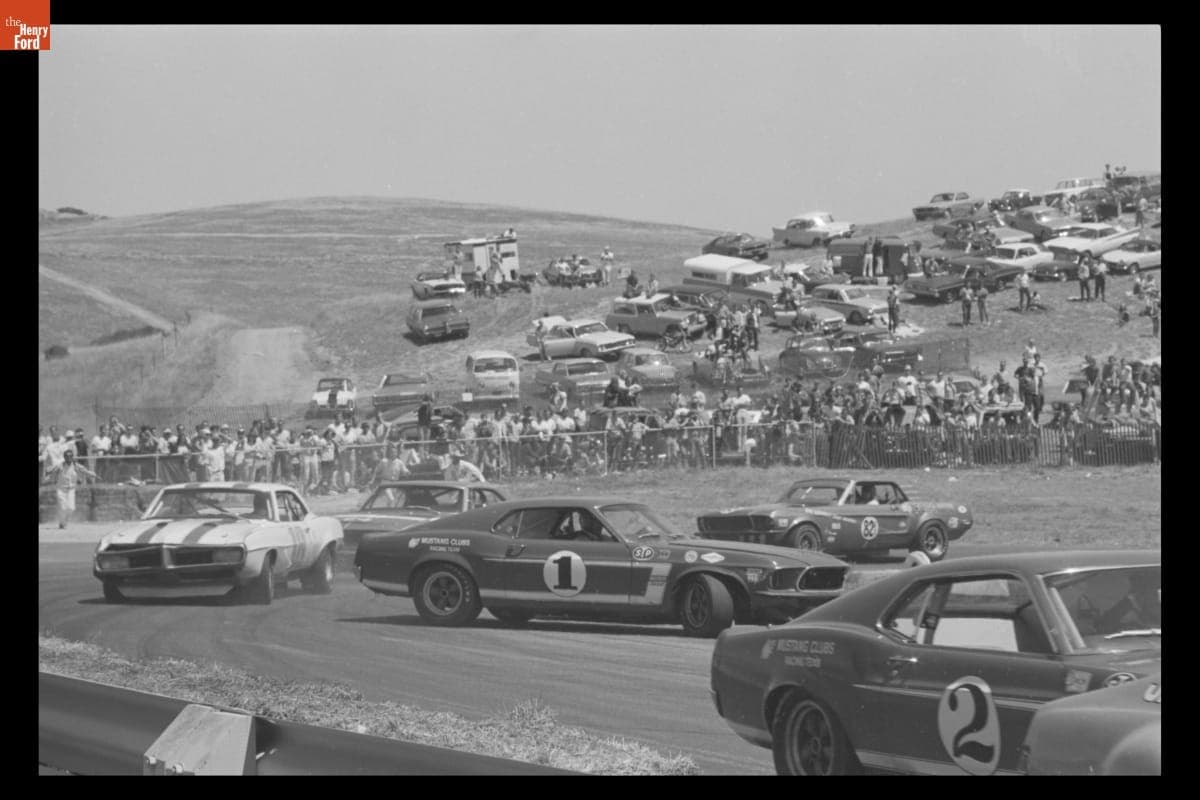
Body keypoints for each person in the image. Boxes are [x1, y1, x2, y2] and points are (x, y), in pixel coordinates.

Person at [47, 449, 97, 529]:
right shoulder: (60, 465)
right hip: (61, 489)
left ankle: (64, 522)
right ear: (64, 457)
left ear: (72, 457)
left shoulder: (76, 466)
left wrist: (92, 474)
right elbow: (50, 470)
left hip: (71, 490)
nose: (68, 458)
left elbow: (85, 471)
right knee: (63, 507)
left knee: (71, 508)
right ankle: (62, 523)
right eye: (67, 456)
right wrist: (48, 471)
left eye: (70, 456)